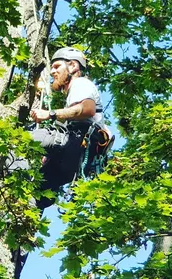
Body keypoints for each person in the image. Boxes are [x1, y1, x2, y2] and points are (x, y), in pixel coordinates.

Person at [29, 47, 111, 210]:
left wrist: (50, 114)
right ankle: (25, 224)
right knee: (38, 193)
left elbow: (87, 109)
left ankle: (5, 173)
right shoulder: (74, 93)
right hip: (73, 160)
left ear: (73, 66)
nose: (52, 71)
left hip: (75, 142)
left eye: (57, 66)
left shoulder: (81, 84)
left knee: (20, 138)